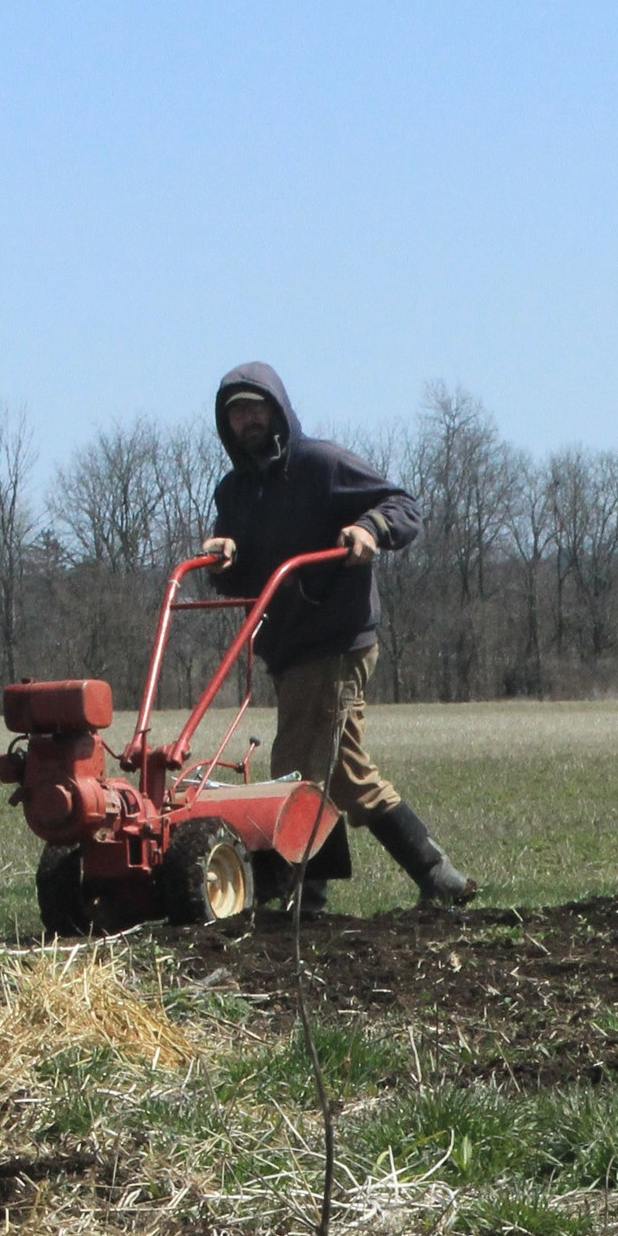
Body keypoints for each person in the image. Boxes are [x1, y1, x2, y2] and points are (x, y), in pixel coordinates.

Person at [199, 362, 477, 909]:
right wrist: (224, 559)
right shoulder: (234, 491)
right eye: (235, 413)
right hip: (287, 645)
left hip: (336, 636)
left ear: (277, 409)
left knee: (314, 770)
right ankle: (400, 885)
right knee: (324, 771)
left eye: (255, 408)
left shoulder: (321, 465)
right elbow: (242, 570)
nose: (247, 420)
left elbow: (403, 505)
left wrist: (370, 528)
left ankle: (339, 895)